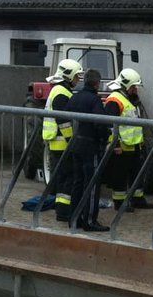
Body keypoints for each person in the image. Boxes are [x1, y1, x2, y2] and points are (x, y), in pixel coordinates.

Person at [65, 68, 110, 232]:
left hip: (76, 144)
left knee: (78, 182)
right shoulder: (94, 100)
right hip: (90, 146)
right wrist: (104, 138)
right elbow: (100, 123)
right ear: (97, 84)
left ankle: (74, 218)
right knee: (92, 184)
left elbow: (66, 115)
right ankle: (89, 221)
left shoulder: (75, 97)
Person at [103, 68, 153, 210]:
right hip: (122, 146)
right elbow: (110, 125)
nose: (135, 90)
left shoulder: (129, 99)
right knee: (120, 175)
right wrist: (115, 144)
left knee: (137, 173)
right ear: (126, 86)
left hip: (134, 145)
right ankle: (119, 203)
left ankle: (138, 199)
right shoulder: (114, 100)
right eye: (133, 87)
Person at [41, 59, 83, 222]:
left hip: (58, 142)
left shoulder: (59, 90)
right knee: (68, 177)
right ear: (69, 76)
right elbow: (63, 120)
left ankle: (62, 209)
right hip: (62, 143)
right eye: (76, 76)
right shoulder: (61, 92)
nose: (78, 80)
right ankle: (64, 212)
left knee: (63, 177)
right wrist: (72, 139)